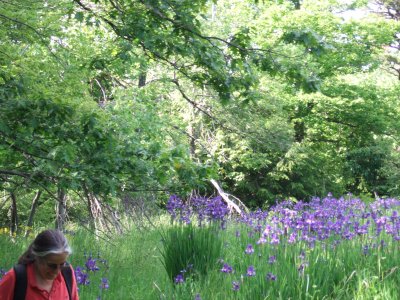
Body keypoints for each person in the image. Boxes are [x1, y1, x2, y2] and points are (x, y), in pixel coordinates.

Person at [0, 229, 79, 300]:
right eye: (52, 266)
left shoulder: (67, 273)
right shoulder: (16, 278)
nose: (57, 271)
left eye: (62, 264)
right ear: (38, 258)